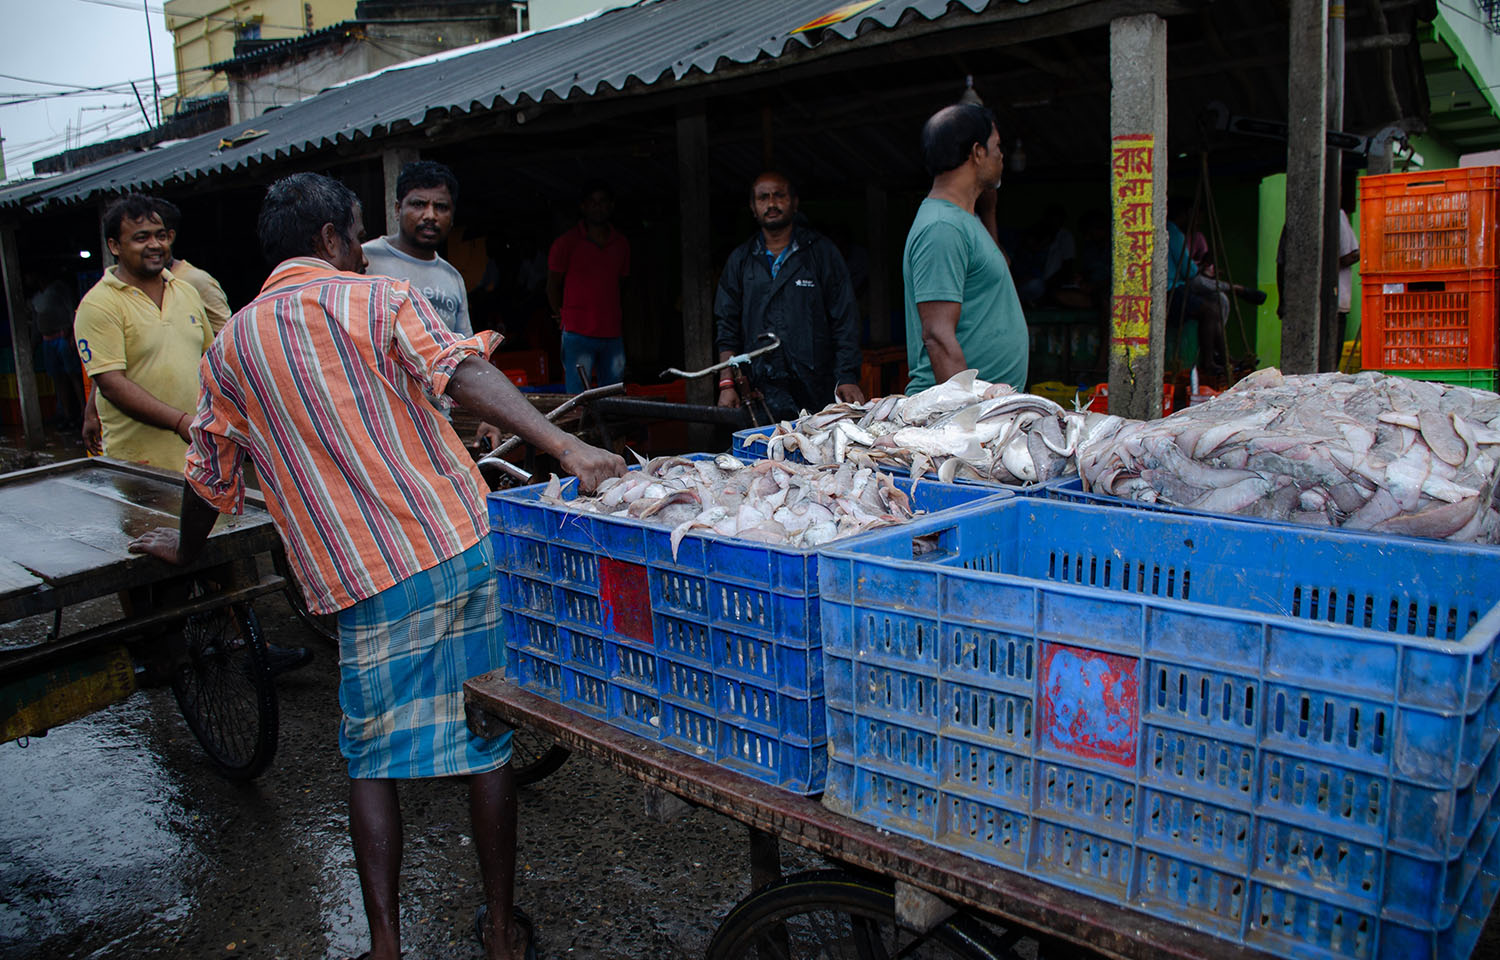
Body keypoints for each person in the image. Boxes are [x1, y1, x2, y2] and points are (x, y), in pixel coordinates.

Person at [127, 172, 624, 960]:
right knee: (483, 741)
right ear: (330, 239)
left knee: (371, 759)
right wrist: (566, 444)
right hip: (454, 546)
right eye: (356, 234)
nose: (361, 249)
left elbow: (208, 474)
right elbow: (459, 370)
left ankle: (386, 947)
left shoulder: (230, 349)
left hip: (359, 577)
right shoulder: (375, 299)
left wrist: (185, 554)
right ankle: (500, 933)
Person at [363, 160, 500, 449]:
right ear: (398, 208)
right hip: (376, 425)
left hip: (436, 426)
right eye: (418, 204)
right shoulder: (364, 260)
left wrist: (490, 415)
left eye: (441, 207)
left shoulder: (452, 278)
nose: (430, 215)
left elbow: (465, 355)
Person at [73, 195, 213, 470]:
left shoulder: (185, 291)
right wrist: (180, 422)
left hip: (198, 453)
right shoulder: (99, 304)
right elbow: (112, 383)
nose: (155, 245)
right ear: (114, 246)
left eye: (161, 236)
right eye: (141, 238)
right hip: (139, 463)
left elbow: (210, 360)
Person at [714, 172, 865, 420]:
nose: (771, 204)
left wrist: (846, 377)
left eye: (779, 195)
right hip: (758, 387)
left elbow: (845, 320)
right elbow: (726, 325)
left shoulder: (821, 253)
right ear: (753, 207)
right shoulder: (741, 260)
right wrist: (727, 384)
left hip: (817, 385)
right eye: (763, 198)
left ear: (794, 202)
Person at [902, 103, 1028, 393]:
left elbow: (994, 275)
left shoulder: (964, 219)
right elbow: (937, 335)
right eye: (996, 146)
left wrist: (990, 214)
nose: (1000, 155)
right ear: (977, 152)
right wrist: (969, 421)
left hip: (988, 409)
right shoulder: (942, 227)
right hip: (966, 415)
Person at [547, 179, 630, 393]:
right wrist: (560, 316)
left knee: (612, 396)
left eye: (602, 202)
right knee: (577, 396)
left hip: (612, 332)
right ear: (583, 207)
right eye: (592, 202)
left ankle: (607, 429)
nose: (597, 206)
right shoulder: (566, 243)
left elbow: (620, 283)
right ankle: (576, 429)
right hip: (577, 333)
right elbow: (552, 285)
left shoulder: (620, 244)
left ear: (611, 205)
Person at [29, 272, 85, 429]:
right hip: (47, 340)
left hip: (63, 337)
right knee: (58, 378)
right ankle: (66, 415)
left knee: (73, 375)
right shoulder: (37, 298)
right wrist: (33, 346)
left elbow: (72, 310)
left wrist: (74, 335)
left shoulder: (59, 288)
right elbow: (35, 325)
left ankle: (83, 412)